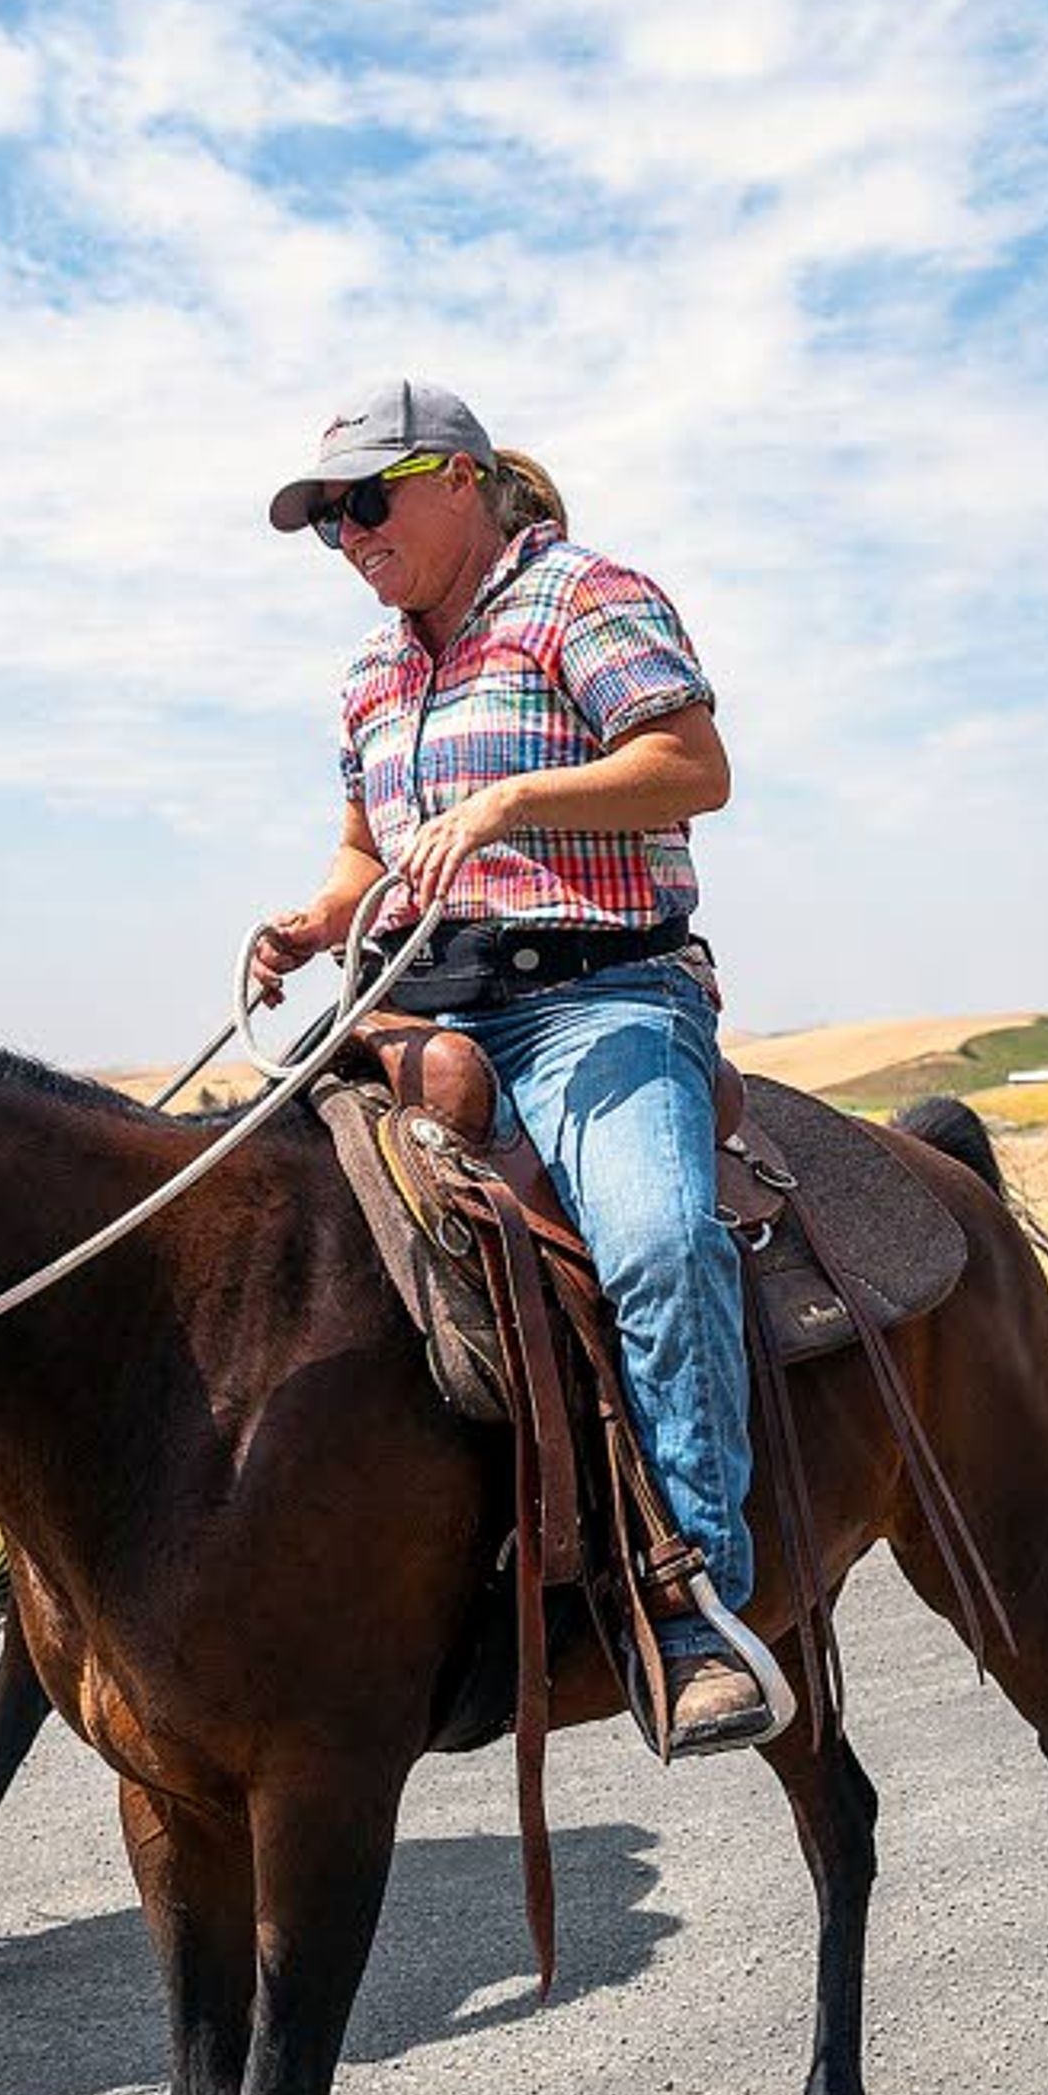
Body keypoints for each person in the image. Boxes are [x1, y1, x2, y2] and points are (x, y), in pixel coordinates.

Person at [247, 381, 785, 1759]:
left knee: (660, 1243)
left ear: (463, 478)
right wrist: (315, 921)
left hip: (598, 996)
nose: (348, 537)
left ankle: (693, 1602)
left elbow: (693, 765)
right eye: (326, 523)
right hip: (418, 1011)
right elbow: (369, 849)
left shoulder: (580, 598)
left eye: (367, 501)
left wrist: (510, 802)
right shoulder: (372, 673)